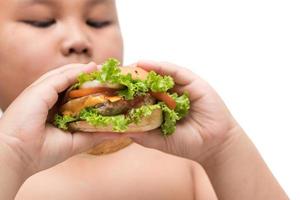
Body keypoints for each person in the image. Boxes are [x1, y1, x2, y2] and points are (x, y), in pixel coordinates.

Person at [0, 0, 288, 199]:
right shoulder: (8, 162)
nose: (79, 39)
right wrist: (13, 154)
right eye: (41, 21)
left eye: (98, 21)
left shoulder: (185, 162)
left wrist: (222, 147)